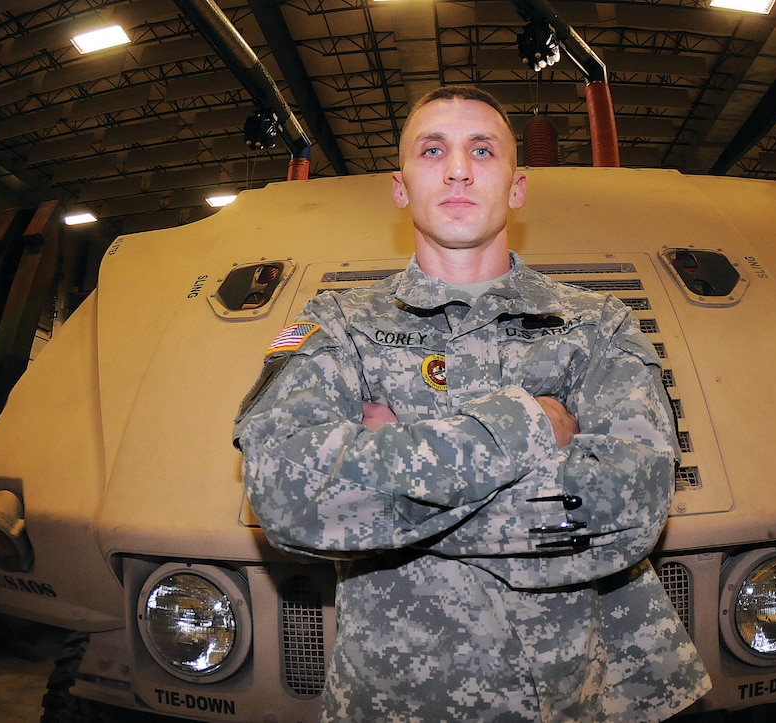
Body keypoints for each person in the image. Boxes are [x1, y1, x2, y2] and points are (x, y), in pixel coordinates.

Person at [234, 85, 710, 722]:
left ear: (516, 186)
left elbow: (633, 503)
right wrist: (529, 425)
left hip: (577, 695)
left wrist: (394, 498)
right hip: (399, 699)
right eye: (433, 150)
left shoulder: (597, 325)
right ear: (400, 186)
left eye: (482, 150)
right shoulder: (338, 325)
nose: (458, 168)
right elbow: (288, 490)